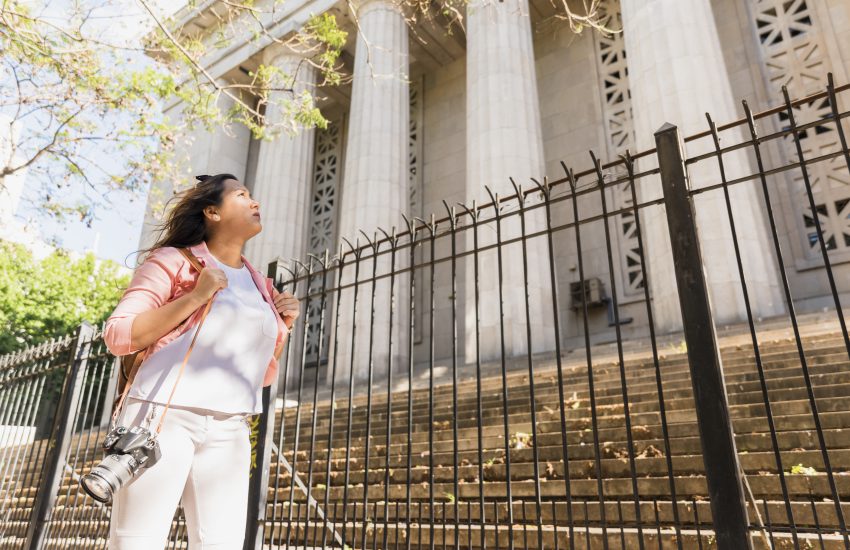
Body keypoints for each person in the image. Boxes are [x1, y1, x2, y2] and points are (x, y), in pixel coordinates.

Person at [102, 173, 301, 549]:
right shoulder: (173, 261)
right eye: (243, 195)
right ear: (212, 211)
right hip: (161, 419)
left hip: (231, 427)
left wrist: (283, 326)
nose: (256, 202)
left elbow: (260, 374)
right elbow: (120, 334)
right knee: (137, 542)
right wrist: (195, 297)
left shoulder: (261, 284)